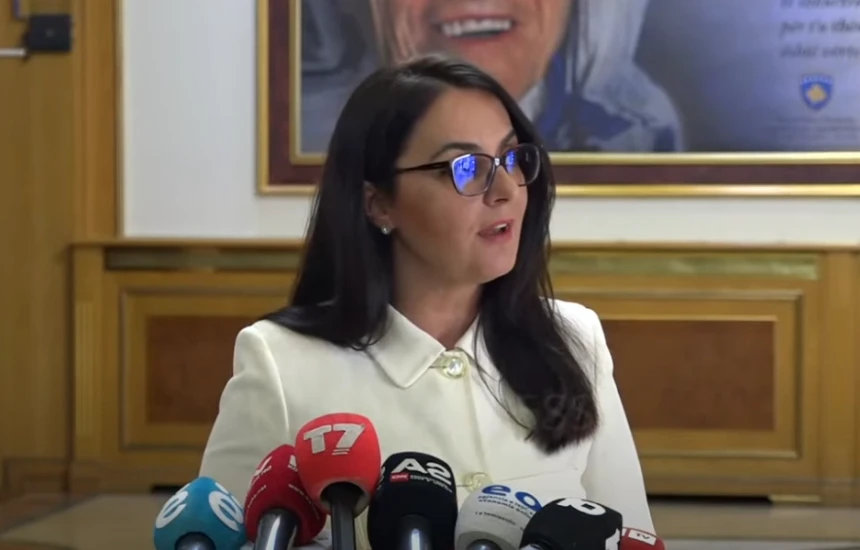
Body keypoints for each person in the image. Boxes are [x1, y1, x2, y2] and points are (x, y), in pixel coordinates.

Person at [200, 54, 654, 547]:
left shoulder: (574, 339)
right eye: (466, 168)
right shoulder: (281, 364)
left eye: (511, 158)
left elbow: (630, 534)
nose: (505, 190)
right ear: (379, 203)